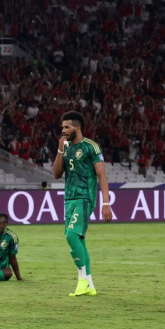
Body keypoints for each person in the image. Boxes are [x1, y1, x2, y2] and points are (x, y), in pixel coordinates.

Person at [52, 111, 112, 297]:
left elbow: (101, 175)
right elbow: (56, 174)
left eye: (67, 127)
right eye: (62, 127)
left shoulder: (91, 147)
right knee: (79, 239)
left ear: (77, 127)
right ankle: (90, 285)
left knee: (71, 236)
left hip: (85, 198)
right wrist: (60, 151)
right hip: (69, 198)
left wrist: (106, 203)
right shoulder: (66, 147)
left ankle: (82, 279)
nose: (63, 130)